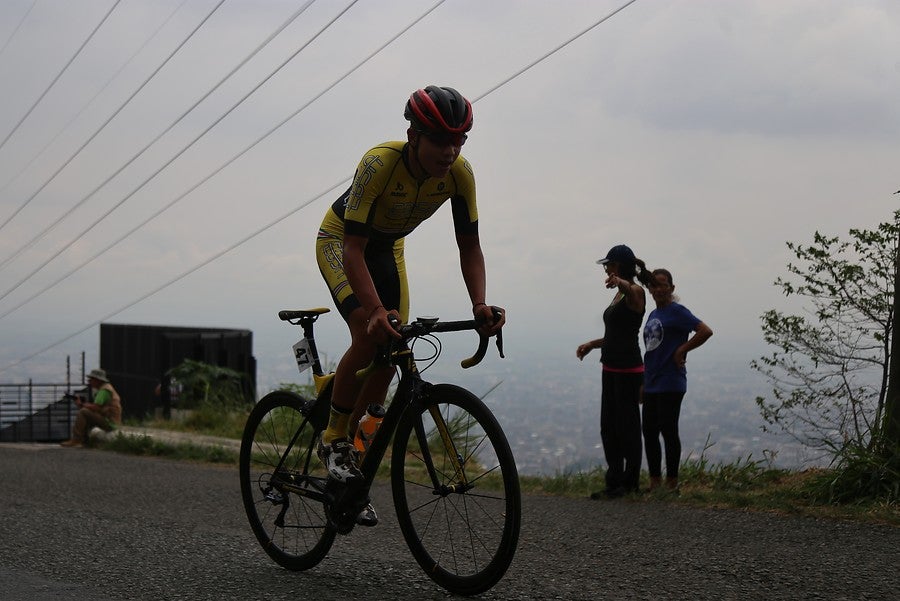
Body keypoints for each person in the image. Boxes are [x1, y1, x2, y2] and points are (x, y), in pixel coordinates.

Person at [314, 85, 505, 525]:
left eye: (459, 140)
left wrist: (479, 303)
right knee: (369, 332)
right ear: (413, 135)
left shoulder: (460, 174)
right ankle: (333, 438)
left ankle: (353, 461)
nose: (450, 150)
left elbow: (469, 246)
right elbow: (353, 249)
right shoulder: (379, 163)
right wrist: (373, 312)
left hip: (389, 249)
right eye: (440, 140)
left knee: (392, 348)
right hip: (342, 242)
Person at [577, 244, 650, 498]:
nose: (606, 269)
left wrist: (621, 282)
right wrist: (592, 344)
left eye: (609, 265)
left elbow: (632, 290)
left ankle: (629, 483)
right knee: (608, 427)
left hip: (628, 370)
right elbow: (616, 334)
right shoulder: (618, 295)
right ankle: (614, 481)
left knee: (628, 427)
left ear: (618, 266)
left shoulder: (635, 292)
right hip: (610, 367)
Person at [642, 268, 713, 492]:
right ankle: (655, 482)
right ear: (650, 289)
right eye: (654, 285)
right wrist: (643, 381)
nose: (658, 289)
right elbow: (651, 349)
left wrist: (682, 349)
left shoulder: (677, 311)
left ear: (672, 288)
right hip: (652, 380)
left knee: (668, 430)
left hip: (671, 380)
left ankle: (672, 483)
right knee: (649, 431)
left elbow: (705, 331)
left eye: (663, 285)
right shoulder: (653, 314)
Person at [61, 368, 122, 447]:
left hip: (109, 422)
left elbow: (96, 408)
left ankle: (76, 440)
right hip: (110, 421)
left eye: (91, 379)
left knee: (83, 412)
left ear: (98, 380)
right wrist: (82, 405)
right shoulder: (106, 388)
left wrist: (82, 404)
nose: (89, 381)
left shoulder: (104, 391)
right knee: (85, 413)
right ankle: (85, 441)